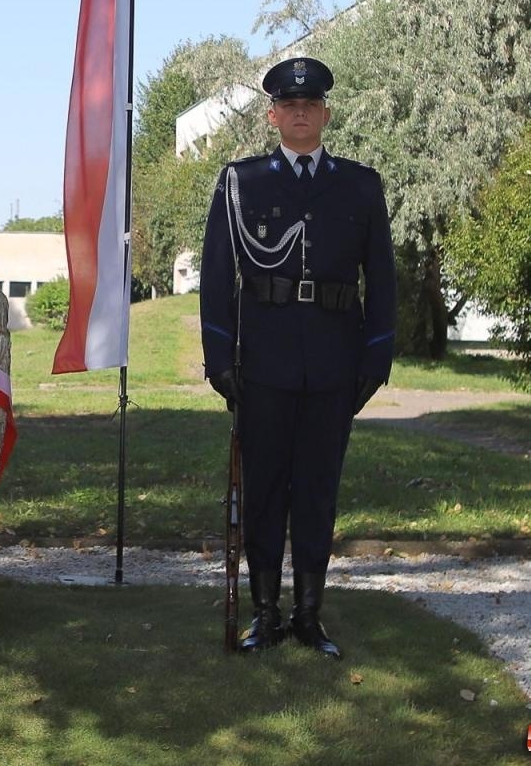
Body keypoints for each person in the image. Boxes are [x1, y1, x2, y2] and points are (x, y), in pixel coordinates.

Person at [199, 57, 396, 659]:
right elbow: (217, 275)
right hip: (263, 361)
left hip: (335, 362)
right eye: (289, 106)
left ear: (326, 115)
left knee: (317, 489)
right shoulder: (241, 182)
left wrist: (375, 361)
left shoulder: (360, 185)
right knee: (263, 490)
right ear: (273, 117)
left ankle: (309, 616)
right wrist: (220, 358)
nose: (301, 113)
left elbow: (382, 280)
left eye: (310, 106)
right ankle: (265, 614)